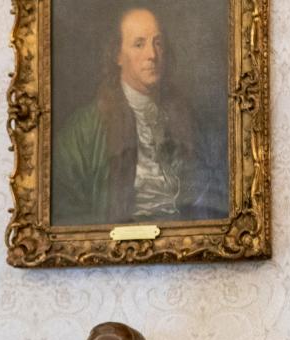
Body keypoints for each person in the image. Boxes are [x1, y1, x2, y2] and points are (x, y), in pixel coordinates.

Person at [52, 6, 224, 226]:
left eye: (158, 43)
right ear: (118, 55)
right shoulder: (83, 129)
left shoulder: (186, 117)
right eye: (139, 44)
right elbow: (65, 208)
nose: (152, 55)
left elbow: (212, 194)